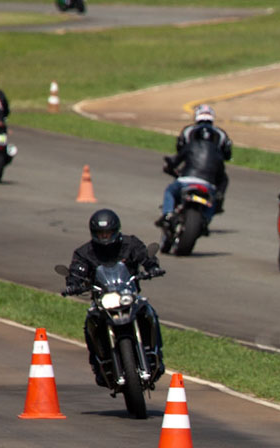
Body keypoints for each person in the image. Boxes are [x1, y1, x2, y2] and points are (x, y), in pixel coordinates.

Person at [64, 210, 165, 386]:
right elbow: (76, 272)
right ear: (94, 233)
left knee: (149, 312)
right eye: (101, 234)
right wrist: (73, 284)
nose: (105, 237)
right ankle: (98, 364)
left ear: (116, 230)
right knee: (91, 323)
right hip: (103, 302)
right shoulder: (84, 253)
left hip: (128, 295)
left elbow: (145, 256)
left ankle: (156, 353)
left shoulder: (130, 244)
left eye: (108, 233)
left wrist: (152, 267)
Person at [157, 124, 226, 227]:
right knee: (213, 199)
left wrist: (169, 165)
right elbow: (222, 177)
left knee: (170, 191)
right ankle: (206, 220)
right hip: (208, 185)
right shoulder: (218, 154)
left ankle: (168, 214)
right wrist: (219, 193)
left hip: (186, 180)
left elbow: (175, 161)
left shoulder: (191, 145)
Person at [175, 104, 232, 211]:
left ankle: (168, 212)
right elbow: (227, 154)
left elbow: (180, 149)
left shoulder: (188, 130)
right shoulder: (221, 133)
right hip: (212, 171)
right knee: (223, 180)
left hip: (189, 168)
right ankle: (217, 202)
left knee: (172, 188)